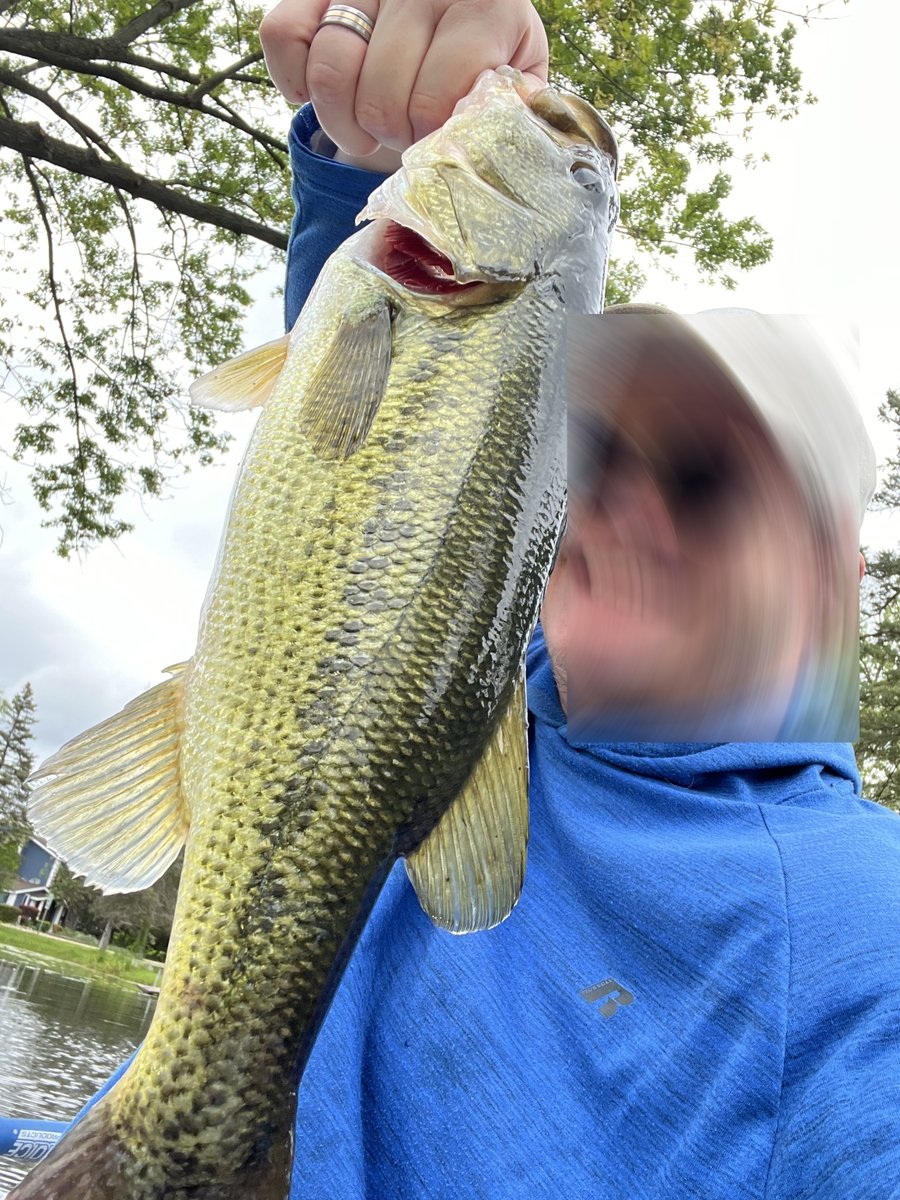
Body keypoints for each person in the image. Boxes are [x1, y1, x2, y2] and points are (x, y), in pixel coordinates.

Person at [58, 3, 900, 1196]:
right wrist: (370, 135)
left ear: (837, 576)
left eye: (709, 481)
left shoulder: (868, 939)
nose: (627, 507)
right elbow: (386, 473)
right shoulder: (488, 709)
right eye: (590, 458)